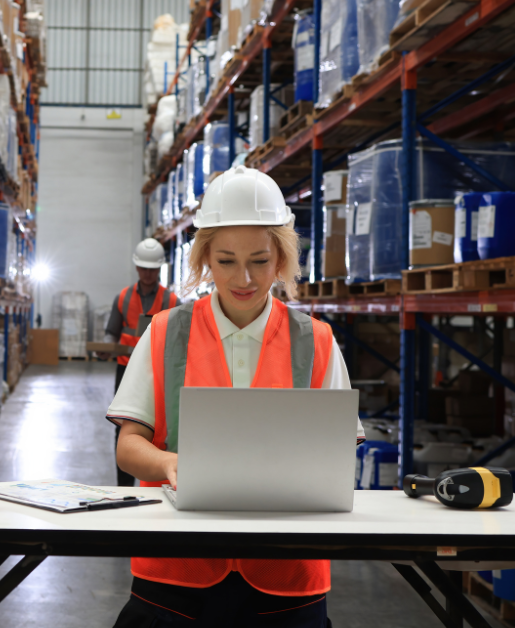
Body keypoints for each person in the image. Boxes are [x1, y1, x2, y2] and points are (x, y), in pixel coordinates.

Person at [105, 166, 366, 627]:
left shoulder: (317, 341)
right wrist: (168, 464)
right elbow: (129, 445)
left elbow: (341, 452)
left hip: (286, 572)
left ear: (282, 258)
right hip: (176, 568)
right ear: (205, 259)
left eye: (260, 261)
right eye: (226, 261)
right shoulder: (165, 333)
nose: (243, 278)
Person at [102, 237, 179, 487]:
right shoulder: (123, 298)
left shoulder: (172, 302)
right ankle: (123, 487)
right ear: (137, 267)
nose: (148, 274)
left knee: (156, 427)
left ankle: (156, 478)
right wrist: (105, 348)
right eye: (144, 268)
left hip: (159, 372)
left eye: (153, 269)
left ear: (159, 270)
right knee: (125, 428)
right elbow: (112, 332)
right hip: (125, 369)